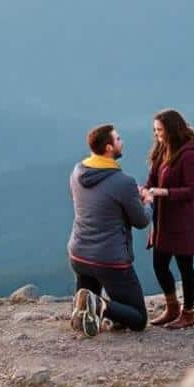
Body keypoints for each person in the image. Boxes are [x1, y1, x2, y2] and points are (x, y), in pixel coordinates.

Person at [67, 123, 150, 337]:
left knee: (87, 305)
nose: (122, 141)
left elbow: (97, 204)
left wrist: (130, 197)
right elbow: (141, 221)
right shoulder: (123, 182)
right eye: (118, 139)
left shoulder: (78, 171)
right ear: (109, 148)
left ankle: (87, 310)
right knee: (138, 319)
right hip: (109, 261)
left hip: (79, 255)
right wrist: (147, 202)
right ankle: (101, 305)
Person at [140, 108, 194, 329]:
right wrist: (144, 191)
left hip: (183, 219)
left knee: (185, 267)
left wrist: (162, 192)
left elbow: (191, 190)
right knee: (159, 264)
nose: (157, 134)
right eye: (155, 130)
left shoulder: (189, 154)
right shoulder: (161, 149)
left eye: (160, 130)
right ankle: (172, 306)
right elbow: (151, 180)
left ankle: (188, 313)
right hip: (163, 219)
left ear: (172, 129)